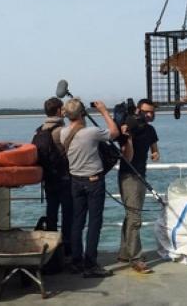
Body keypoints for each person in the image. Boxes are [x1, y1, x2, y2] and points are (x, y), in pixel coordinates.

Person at [60, 98, 131, 277]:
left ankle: (76, 261)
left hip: (75, 181)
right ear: (82, 113)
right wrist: (104, 111)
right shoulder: (90, 132)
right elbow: (114, 133)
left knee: (77, 221)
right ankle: (90, 263)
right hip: (93, 181)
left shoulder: (63, 133)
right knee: (94, 222)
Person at [117, 99, 159, 274]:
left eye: (152, 112)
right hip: (129, 176)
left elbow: (154, 149)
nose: (149, 115)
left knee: (130, 215)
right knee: (135, 218)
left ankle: (125, 252)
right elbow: (126, 155)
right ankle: (136, 258)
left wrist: (155, 153)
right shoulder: (129, 128)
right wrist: (127, 137)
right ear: (138, 110)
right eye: (146, 111)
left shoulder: (150, 130)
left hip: (141, 175)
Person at [32, 97, 73, 259]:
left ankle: (51, 252)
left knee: (51, 215)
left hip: (48, 179)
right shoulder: (61, 131)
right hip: (64, 178)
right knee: (68, 215)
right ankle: (68, 250)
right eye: (62, 109)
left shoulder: (39, 130)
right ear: (58, 111)